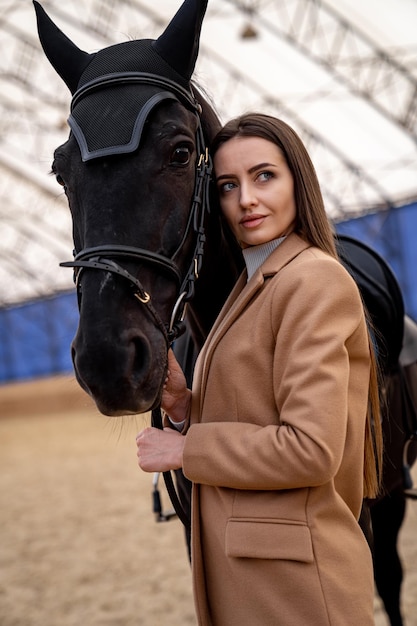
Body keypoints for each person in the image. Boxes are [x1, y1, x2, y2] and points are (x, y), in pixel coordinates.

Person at [136, 113, 383, 626]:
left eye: (264, 176)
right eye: (229, 185)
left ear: (298, 180)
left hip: (299, 590)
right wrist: (185, 409)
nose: (246, 198)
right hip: (255, 578)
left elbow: (311, 450)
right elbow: (254, 411)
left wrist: (186, 449)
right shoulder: (254, 284)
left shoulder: (313, 281)